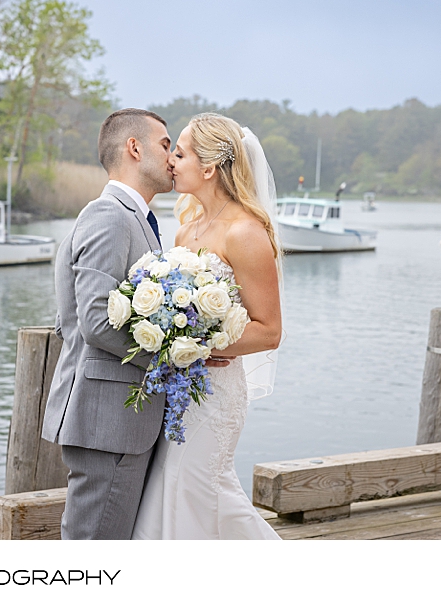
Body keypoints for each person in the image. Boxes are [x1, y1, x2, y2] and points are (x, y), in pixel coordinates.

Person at [132, 113, 284, 540]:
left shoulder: (246, 233)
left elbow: (269, 330)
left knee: (202, 490)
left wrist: (199, 344)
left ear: (209, 168)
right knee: (171, 489)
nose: (171, 163)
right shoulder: (185, 232)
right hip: (179, 390)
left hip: (216, 393)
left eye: (179, 154)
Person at [41, 107, 174, 540]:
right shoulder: (110, 216)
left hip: (116, 421)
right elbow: (95, 321)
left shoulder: (135, 220)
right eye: (165, 145)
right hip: (107, 423)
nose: (172, 158)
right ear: (134, 148)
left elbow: (71, 323)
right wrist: (172, 356)